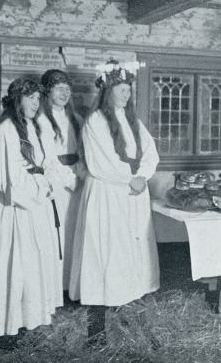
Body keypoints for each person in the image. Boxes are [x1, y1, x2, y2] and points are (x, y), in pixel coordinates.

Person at [68, 60, 160, 346]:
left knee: (129, 250)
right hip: (109, 193)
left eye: (127, 88)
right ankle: (97, 326)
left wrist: (143, 175)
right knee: (106, 250)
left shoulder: (134, 121)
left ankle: (125, 301)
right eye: (119, 88)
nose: (124, 93)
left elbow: (150, 152)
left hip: (133, 192)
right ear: (107, 91)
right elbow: (101, 161)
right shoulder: (96, 121)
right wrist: (129, 179)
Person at [0, 78, 69, 348]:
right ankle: (1, 329)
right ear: (16, 100)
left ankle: (23, 319)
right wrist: (41, 187)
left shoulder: (35, 127)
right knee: (11, 266)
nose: (35, 104)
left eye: (38, 99)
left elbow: (48, 162)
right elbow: (7, 181)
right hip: (14, 209)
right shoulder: (3, 132)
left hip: (35, 207)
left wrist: (51, 181)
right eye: (30, 98)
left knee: (30, 267)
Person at [37, 69, 85, 295]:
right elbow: (48, 157)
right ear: (47, 92)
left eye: (67, 89)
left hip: (78, 179)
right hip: (56, 182)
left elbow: (84, 153)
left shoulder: (76, 119)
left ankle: (71, 286)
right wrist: (68, 179)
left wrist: (80, 175)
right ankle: (55, 289)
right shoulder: (41, 120)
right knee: (57, 233)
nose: (64, 93)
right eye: (59, 88)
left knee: (75, 232)